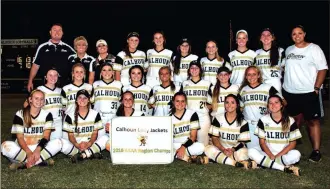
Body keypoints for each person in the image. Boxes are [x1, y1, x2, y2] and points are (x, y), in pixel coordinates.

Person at [282, 25, 328, 162]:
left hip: (309, 92)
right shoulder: (289, 50)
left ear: (304, 34)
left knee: (312, 121)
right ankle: (289, 147)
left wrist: (316, 87)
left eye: (299, 33)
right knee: (293, 122)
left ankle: (316, 151)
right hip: (290, 92)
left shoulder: (314, 48)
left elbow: (323, 69)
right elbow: (284, 66)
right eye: (294, 34)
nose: (297, 36)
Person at [1, 90, 62, 170]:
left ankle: (24, 164)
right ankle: (41, 160)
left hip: (39, 148)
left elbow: (46, 136)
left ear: (44, 101)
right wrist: (28, 152)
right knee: (4, 146)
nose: (39, 101)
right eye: (36, 98)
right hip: (22, 149)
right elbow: (20, 138)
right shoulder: (20, 114)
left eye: (41, 99)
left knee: (59, 143)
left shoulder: (47, 115)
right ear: (30, 99)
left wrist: (37, 150)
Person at [248, 95, 302, 176]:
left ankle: (264, 163)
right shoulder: (263, 120)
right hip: (267, 153)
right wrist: (270, 155)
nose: (273, 105)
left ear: (281, 105)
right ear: (268, 106)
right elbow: (262, 143)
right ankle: (283, 168)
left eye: (276, 102)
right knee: (251, 151)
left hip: (283, 153)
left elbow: (292, 144)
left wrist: (277, 156)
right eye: (270, 103)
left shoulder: (290, 120)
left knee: (296, 154)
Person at [205, 94, 255, 169]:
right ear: (224, 104)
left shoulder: (243, 122)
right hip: (220, 148)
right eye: (227, 102)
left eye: (232, 102)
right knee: (208, 149)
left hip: (235, 149)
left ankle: (221, 159)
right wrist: (223, 149)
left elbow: (242, 143)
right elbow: (214, 138)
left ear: (237, 105)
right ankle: (234, 163)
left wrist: (232, 150)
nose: (229, 105)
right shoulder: (218, 118)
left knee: (244, 153)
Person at [238, 65, 282, 151]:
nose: (251, 77)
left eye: (254, 74)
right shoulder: (243, 90)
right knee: (253, 151)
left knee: (271, 150)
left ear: (258, 75)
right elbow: (240, 108)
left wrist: (271, 108)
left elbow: (282, 102)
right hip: (251, 125)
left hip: (266, 125)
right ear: (246, 77)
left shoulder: (267, 87)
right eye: (249, 74)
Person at [27, 23, 75, 91]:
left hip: (64, 84)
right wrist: (30, 81)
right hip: (46, 84)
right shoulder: (42, 47)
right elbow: (35, 66)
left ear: (62, 33)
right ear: (50, 32)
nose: (57, 32)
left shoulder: (68, 48)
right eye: (54, 30)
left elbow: (77, 65)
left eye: (59, 30)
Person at [61, 89, 103, 162]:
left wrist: (89, 144)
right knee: (59, 142)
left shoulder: (95, 114)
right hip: (76, 145)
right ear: (76, 100)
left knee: (105, 138)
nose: (82, 100)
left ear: (88, 100)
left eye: (85, 98)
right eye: (80, 97)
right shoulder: (69, 115)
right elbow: (70, 136)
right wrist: (77, 145)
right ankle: (89, 153)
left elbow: (95, 133)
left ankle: (83, 154)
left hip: (89, 144)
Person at [180, 60, 212, 146]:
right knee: (188, 142)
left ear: (200, 70)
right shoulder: (184, 84)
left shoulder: (207, 84)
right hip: (188, 116)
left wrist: (206, 107)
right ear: (189, 70)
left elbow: (213, 102)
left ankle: (202, 159)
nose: (194, 70)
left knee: (203, 144)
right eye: (192, 68)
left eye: (196, 68)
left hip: (202, 116)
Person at [170, 92, 207, 164]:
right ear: (173, 102)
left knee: (200, 147)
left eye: (182, 101)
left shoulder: (192, 114)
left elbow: (193, 137)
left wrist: (183, 147)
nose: (180, 103)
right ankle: (188, 158)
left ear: (186, 102)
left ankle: (179, 155)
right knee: (167, 149)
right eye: (177, 101)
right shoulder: (169, 117)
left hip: (188, 145)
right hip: (175, 145)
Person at [91, 63, 123, 137]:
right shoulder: (95, 84)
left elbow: (122, 103)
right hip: (99, 119)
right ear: (101, 72)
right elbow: (91, 102)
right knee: (99, 142)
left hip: (114, 118)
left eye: (109, 70)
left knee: (113, 143)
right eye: (104, 70)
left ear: (113, 72)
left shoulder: (119, 85)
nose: (107, 72)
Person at [255, 28, 285, 93]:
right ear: (260, 38)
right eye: (263, 35)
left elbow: (286, 67)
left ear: (272, 38)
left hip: (275, 83)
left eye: (268, 35)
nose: (266, 37)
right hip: (262, 84)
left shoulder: (280, 51)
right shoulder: (256, 53)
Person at [37, 68, 63, 140]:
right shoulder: (40, 89)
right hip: (43, 121)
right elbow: (27, 104)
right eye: (50, 75)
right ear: (46, 77)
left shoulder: (60, 90)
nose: (53, 77)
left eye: (55, 75)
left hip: (58, 121)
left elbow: (64, 107)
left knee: (57, 143)